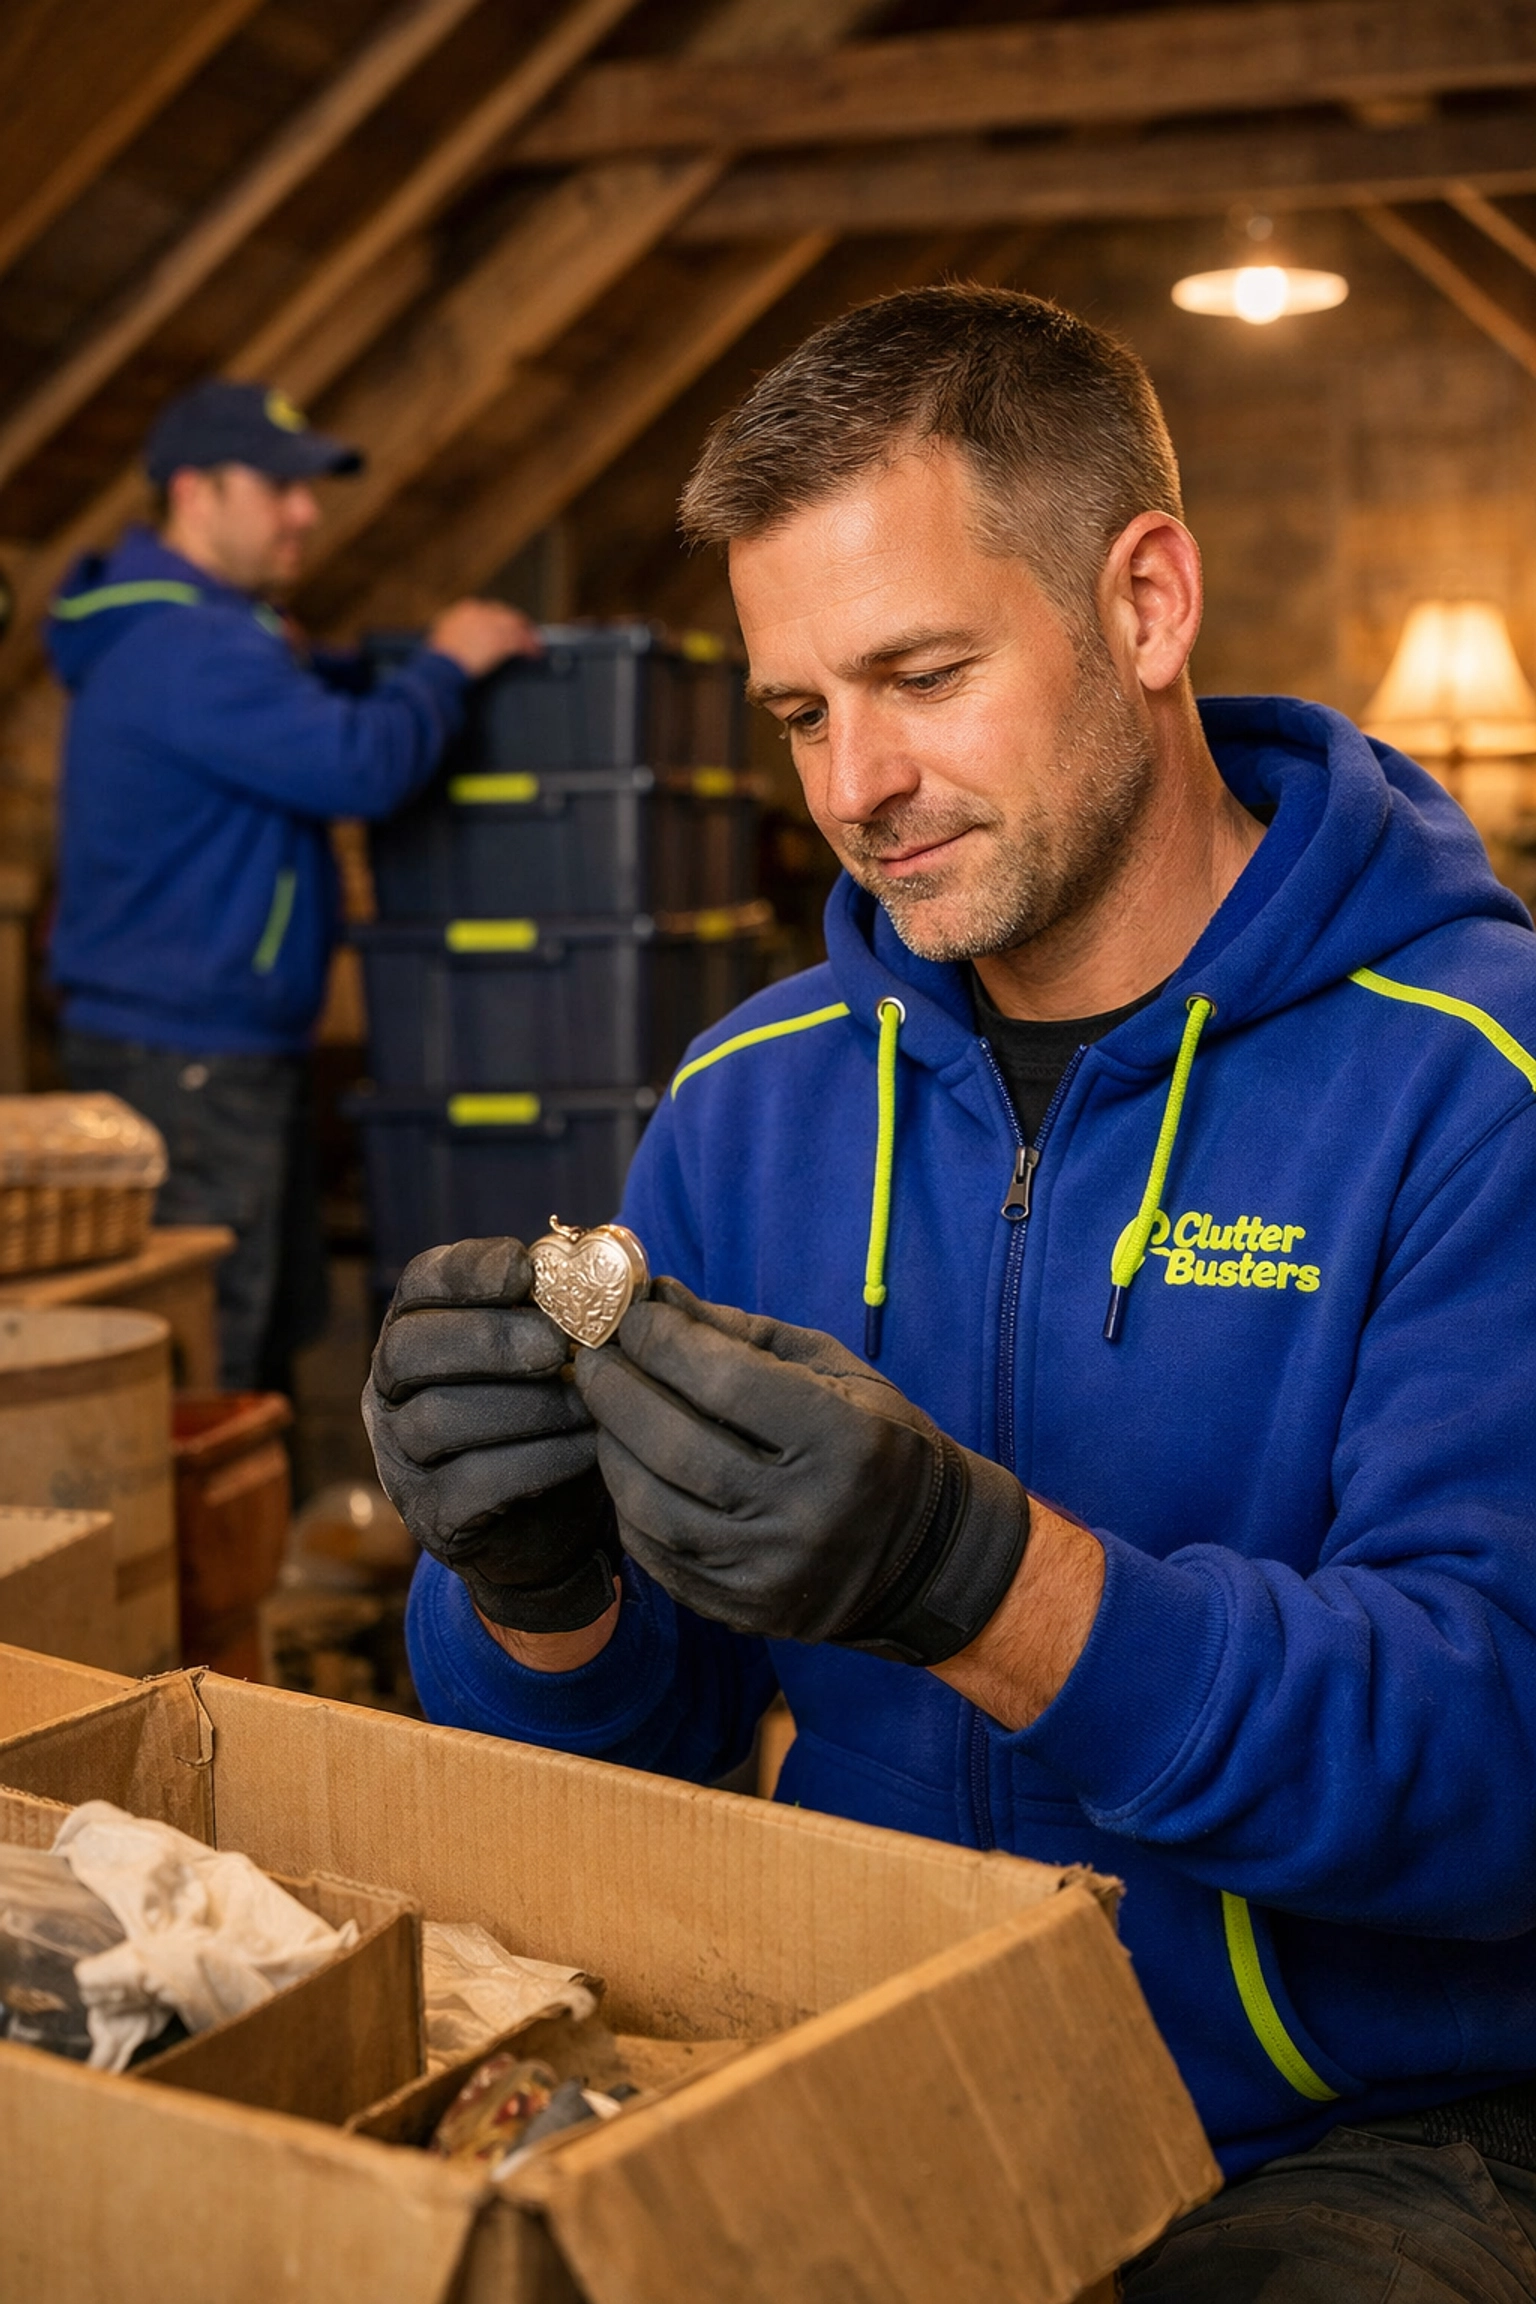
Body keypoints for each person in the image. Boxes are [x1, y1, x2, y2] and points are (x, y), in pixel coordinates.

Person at [363, 288, 1536, 2298]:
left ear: (1146, 603)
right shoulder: (746, 1108)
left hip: (1367, 2132)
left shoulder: (1472, 1080)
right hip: (871, 2050)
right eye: (805, 712)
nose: (856, 786)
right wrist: (537, 1596)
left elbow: (1497, 1756)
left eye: (920, 675)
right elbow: (624, 1797)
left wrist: (985, 1586)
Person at [48, 378, 537, 1390]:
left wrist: (373, 668)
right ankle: (203, 1548)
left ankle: (253, 1541)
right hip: (188, 1066)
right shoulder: (192, 646)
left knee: (260, 1327)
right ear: (196, 490)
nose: (306, 512)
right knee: (215, 1352)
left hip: (201, 1054)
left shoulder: (208, 634)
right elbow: (360, 766)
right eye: (277, 487)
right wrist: (444, 666)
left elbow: (305, 702)